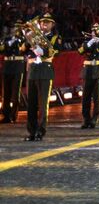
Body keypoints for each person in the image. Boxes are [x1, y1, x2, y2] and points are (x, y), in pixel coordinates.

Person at [23, 13, 61, 141]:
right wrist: (28, 39)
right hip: (33, 70)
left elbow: (55, 52)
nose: (44, 24)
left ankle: (41, 130)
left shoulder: (55, 37)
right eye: (42, 22)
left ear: (52, 24)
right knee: (31, 104)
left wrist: (42, 50)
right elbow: (22, 49)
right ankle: (31, 131)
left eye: (47, 22)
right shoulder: (34, 36)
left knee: (43, 104)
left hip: (45, 70)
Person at [1, 24, 26, 124]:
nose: (14, 30)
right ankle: (6, 115)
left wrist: (17, 42)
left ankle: (13, 115)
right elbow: (1, 50)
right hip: (7, 66)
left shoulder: (23, 39)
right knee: (5, 93)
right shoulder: (6, 39)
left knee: (15, 93)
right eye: (14, 28)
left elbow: (23, 50)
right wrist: (5, 42)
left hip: (17, 66)